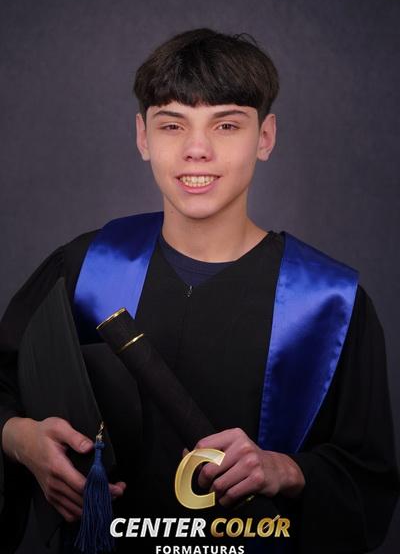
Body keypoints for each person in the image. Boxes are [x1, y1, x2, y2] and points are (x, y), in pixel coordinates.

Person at [0, 28, 399, 554]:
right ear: (143, 137)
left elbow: (367, 483)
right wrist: (18, 438)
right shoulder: (85, 268)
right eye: (172, 125)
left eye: (226, 125)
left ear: (265, 137)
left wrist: (286, 470)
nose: (196, 150)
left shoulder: (329, 305)